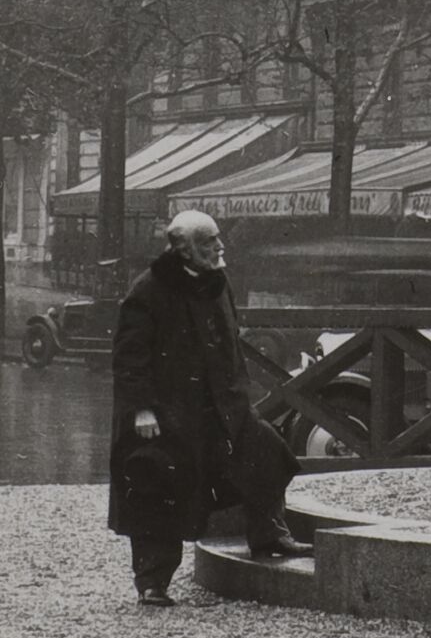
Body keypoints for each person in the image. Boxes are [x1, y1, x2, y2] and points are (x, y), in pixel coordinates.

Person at [106, 208, 297, 606]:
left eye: (217, 239)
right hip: (168, 413)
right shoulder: (149, 290)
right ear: (185, 250)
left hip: (223, 405)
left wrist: (239, 396)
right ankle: (152, 581)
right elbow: (129, 358)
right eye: (210, 242)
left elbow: (229, 340)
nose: (220, 247)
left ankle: (269, 534)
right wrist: (142, 411)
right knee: (157, 486)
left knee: (266, 452)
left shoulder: (217, 281)